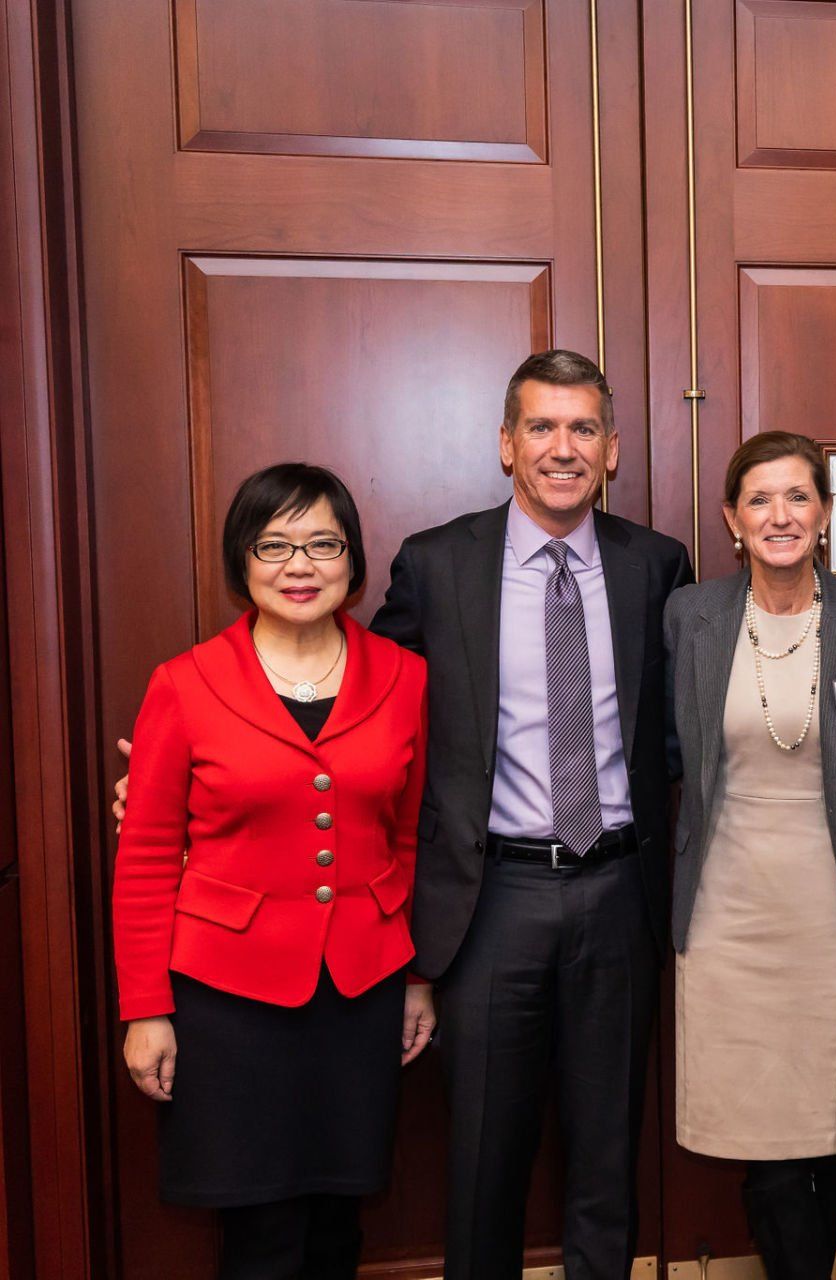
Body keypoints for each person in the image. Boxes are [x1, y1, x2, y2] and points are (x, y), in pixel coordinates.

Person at [115, 352, 692, 1276]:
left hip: (621, 892)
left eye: (583, 429)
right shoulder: (437, 564)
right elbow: (359, 709)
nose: (562, 448)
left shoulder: (656, 566)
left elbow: (678, 725)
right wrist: (186, 777)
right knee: (481, 1162)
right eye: (540, 427)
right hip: (489, 899)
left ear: (613, 449)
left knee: (608, 1158)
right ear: (506, 445)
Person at [113, 464, 433, 1279]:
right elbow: (146, 857)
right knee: (259, 1234)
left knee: (338, 1222)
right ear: (243, 561)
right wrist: (146, 1008)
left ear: (353, 562)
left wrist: (416, 974)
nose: (301, 565)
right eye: (276, 544)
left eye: (323, 543)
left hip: (361, 992)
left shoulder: (404, 678)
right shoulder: (183, 685)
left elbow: (408, 840)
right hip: (229, 1000)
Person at [663, 432, 836, 1279]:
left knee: (830, 1126)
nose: (781, 515)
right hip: (727, 916)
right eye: (761, 499)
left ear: (825, 515)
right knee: (763, 1146)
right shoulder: (690, 618)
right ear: (732, 519)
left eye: (799, 497)